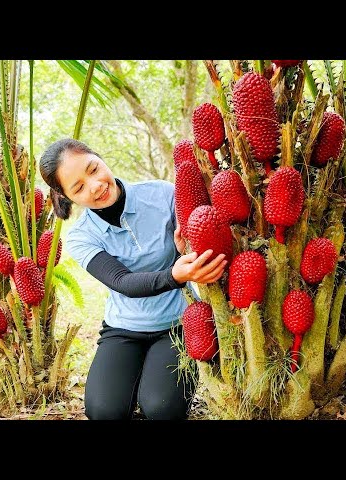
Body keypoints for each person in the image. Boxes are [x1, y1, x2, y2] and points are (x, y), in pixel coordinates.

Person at [39, 138, 227, 420]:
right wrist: (175, 275)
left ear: (100, 157)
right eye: (78, 187)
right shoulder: (81, 236)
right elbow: (123, 282)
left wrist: (185, 250)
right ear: (66, 196)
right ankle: (136, 377)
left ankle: (150, 384)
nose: (95, 186)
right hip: (123, 329)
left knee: (162, 408)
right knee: (103, 412)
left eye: (93, 169)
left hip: (177, 324)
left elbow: (198, 240)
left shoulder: (163, 194)